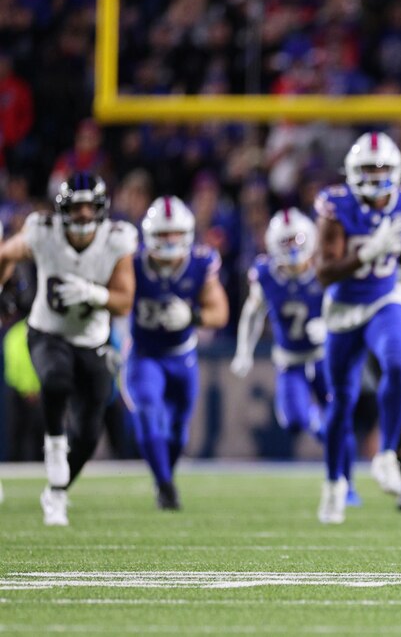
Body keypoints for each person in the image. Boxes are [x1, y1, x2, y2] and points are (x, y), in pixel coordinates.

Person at [314, 131, 401, 524]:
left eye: (382, 168)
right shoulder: (337, 206)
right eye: (367, 169)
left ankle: (388, 454)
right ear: (352, 173)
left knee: (396, 362)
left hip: (385, 299)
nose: (375, 176)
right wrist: (369, 252)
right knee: (341, 400)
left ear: (396, 171)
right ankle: (333, 482)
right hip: (343, 308)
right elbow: (324, 272)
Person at [0, 172, 137, 526]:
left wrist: (93, 293)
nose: (83, 216)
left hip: (92, 341)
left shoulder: (116, 240)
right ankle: (54, 445)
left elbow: (124, 302)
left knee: (90, 435)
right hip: (48, 332)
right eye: (76, 208)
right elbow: (6, 253)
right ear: (63, 209)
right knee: (56, 380)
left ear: (102, 209)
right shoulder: (43, 232)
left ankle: (56, 494)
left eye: (90, 207)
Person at [230, 208, 362, 513]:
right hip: (289, 360)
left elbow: (351, 307)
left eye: (296, 240)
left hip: (324, 357)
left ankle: (349, 485)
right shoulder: (265, 273)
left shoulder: (323, 269)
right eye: (285, 242)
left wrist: (329, 327)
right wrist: (243, 351)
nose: (291, 248)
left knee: (340, 420)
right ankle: (324, 433)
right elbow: (252, 314)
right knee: (295, 419)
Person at [124, 196, 229, 510]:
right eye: (163, 234)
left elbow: (219, 312)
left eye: (175, 234)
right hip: (145, 354)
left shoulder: (200, 262)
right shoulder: (131, 262)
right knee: (147, 409)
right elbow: (116, 299)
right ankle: (165, 485)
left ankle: (165, 476)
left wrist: (192, 317)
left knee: (179, 427)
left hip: (182, 356)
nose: (170, 241)